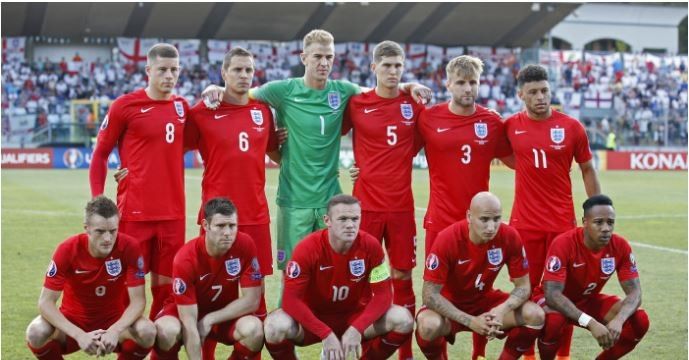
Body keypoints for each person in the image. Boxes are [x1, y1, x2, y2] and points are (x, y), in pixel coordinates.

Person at [204, 29, 430, 272]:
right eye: (317, 57)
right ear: (304, 58)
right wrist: (214, 87)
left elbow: (380, 88)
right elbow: (241, 93)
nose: (324, 63)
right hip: (294, 199)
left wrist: (409, 84)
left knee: (333, 269)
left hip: (330, 199)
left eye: (329, 57)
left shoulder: (343, 91)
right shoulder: (282, 90)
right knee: (294, 272)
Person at [504, 64, 601, 359]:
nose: (540, 97)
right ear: (521, 94)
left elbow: (587, 168)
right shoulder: (510, 125)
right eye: (532, 92)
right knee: (527, 292)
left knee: (562, 294)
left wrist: (597, 212)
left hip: (562, 225)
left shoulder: (571, 127)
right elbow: (500, 154)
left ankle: (563, 355)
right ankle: (530, 354)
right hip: (524, 225)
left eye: (544, 90)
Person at [89, 43, 189, 319]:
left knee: (167, 291)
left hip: (173, 215)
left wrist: (215, 92)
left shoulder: (183, 108)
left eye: (174, 70)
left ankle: (160, 349)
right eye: (162, 70)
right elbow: (100, 155)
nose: (169, 76)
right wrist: (98, 200)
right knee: (128, 290)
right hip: (135, 214)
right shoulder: (125, 106)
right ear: (148, 71)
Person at [342, 40, 425, 360]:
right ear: (373, 67)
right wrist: (357, 168)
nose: (392, 71)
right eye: (386, 65)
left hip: (402, 206)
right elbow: (333, 133)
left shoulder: (413, 103)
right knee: (361, 278)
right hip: (364, 207)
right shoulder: (357, 103)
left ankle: (405, 353)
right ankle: (361, 346)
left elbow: (418, 143)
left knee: (402, 275)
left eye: (398, 66)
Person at [184, 46, 280, 322]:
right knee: (209, 291)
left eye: (249, 70)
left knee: (256, 294)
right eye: (237, 69)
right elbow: (170, 147)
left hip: (255, 215)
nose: (244, 75)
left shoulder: (263, 111)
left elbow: (276, 152)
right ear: (224, 72)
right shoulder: (204, 111)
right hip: (216, 216)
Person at [263, 195, 414, 360]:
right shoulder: (307, 248)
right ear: (327, 220)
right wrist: (325, 333)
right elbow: (290, 301)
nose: (350, 225)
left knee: (403, 318)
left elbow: (383, 296)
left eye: (355, 219)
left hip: (354, 318)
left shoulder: (371, 246)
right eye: (342, 219)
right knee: (274, 325)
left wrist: (357, 328)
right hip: (314, 321)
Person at [416, 192, 544, 360]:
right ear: (469, 216)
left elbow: (524, 286)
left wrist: (500, 310)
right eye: (484, 220)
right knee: (428, 325)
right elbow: (429, 295)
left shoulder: (509, 236)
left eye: (497, 219)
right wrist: (470, 321)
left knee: (535, 314)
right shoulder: (447, 239)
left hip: (485, 302)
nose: (491, 227)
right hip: (449, 304)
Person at [25, 196, 155, 359]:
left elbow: (138, 301)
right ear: (87, 228)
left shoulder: (130, 247)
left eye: (113, 231)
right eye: (100, 231)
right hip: (73, 323)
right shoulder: (67, 250)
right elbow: (45, 303)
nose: (108, 239)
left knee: (148, 331)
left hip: (114, 322)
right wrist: (79, 335)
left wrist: (115, 330)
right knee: (36, 332)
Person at [417, 55, 511, 257]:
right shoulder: (428, 118)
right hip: (439, 219)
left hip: (478, 222)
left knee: (473, 285)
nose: (468, 88)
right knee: (434, 285)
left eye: (473, 82)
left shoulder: (492, 122)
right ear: (449, 84)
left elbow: (516, 162)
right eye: (461, 82)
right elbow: (400, 150)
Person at [534, 195, 649, 360]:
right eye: (599, 222)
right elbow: (552, 295)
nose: (606, 228)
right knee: (555, 321)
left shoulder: (620, 246)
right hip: (552, 301)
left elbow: (635, 292)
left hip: (587, 300)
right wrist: (591, 322)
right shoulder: (564, 243)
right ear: (585, 222)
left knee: (639, 320)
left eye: (610, 222)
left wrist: (619, 319)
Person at [152, 198, 264, 360]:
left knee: (254, 329)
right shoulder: (185, 258)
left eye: (232, 226)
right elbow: (189, 322)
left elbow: (252, 300)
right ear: (205, 226)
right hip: (185, 312)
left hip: (222, 314)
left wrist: (210, 319)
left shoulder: (245, 244)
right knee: (166, 330)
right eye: (220, 226)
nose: (227, 232)